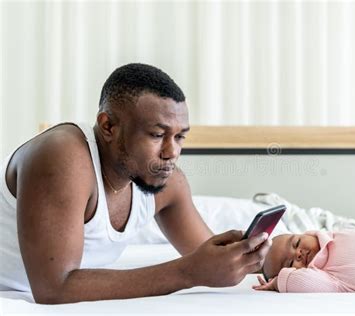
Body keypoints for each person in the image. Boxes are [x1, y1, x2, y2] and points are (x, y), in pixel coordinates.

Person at [0, 63, 271, 304]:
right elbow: (53, 289)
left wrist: (269, 256)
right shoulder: (62, 156)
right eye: (157, 134)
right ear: (108, 126)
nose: (171, 152)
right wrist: (187, 272)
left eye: (179, 137)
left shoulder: (167, 182)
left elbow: (211, 257)